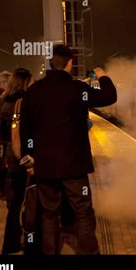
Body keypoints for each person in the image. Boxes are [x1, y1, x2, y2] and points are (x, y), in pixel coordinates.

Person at [20, 45, 117, 254]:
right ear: (70, 63)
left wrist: (29, 161)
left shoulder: (33, 92)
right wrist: (103, 77)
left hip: (44, 168)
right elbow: (109, 97)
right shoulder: (78, 89)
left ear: (49, 63)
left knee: (49, 215)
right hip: (75, 167)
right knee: (82, 213)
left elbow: (25, 131)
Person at [0, 69, 35, 254]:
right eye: (31, 81)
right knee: (25, 202)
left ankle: (10, 243)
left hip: (11, 157)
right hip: (22, 157)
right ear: (25, 82)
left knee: (15, 202)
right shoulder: (23, 102)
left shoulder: (5, 100)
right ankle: (26, 242)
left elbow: (3, 133)